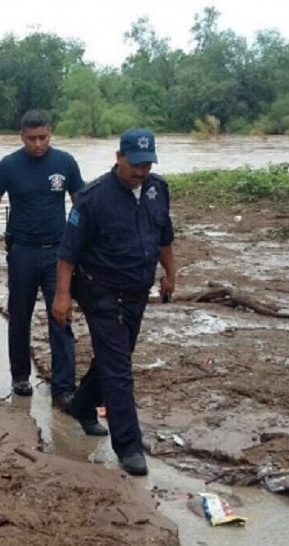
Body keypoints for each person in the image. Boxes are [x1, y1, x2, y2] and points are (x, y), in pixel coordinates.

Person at [52, 128, 176, 477]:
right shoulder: (92, 198)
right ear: (119, 157)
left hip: (137, 291)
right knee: (119, 369)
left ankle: (81, 405)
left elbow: (164, 236)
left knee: (115, 358)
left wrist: (170, 273)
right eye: (135, 164)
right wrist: (62, 296)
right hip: (100, 292)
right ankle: (129, 446)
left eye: (147, 164)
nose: (141, 171)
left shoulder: (158, 190)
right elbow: (67, 254)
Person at [0, 109, 84, 410]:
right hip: (22, 251)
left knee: (61, 317)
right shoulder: (9, 166)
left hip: (58, 254)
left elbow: (83, 204)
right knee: (19, 315)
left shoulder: (65, 163)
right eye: (31, 139)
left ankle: (63, 388)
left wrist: (84, 247)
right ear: (21, 136)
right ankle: (20, 377)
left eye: (43, 138)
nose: (38, 144)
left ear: (50, 133)